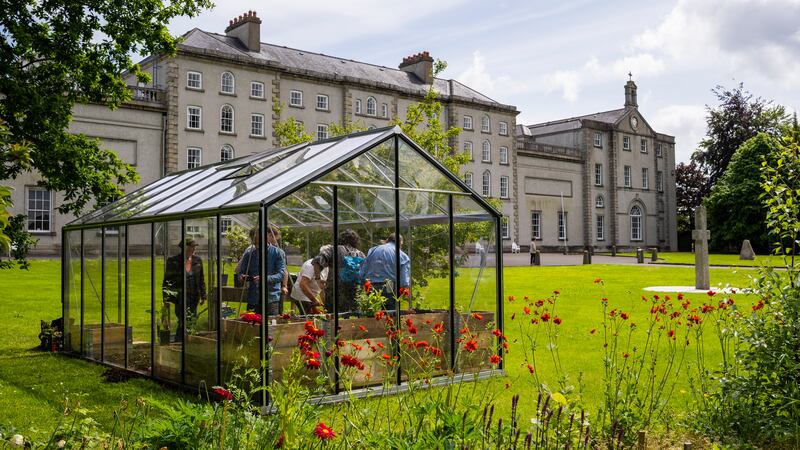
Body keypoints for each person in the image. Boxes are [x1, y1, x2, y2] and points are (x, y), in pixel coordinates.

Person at [162, 237, 206, 342]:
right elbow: (167, 281)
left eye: (194, 246)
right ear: (185, 248)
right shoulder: (173, 261)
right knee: (183, 321)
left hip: (194, 297)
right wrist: (166, 299)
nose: (194, 248)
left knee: (192, 320)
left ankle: (187, 343)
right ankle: (179, 343)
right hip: (180, 297)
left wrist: (203, 294)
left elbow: (201, 279)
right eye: (192, 246)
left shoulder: (197, 260)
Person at [236, 226, 287, 315]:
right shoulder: (249, 254)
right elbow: (241, 272)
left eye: (259, 242)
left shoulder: (278, 253)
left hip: (270, 298)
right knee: (252, 326)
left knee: (270, 326)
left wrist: (265, 278)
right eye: (255, 242)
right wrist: (242, 277)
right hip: (253, 298)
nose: (257, 245)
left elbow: (281, 274)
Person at [313, 229, 365, 313]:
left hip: (334, 293)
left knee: (333, 319)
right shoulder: (361, 254)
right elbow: (364, 274)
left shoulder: (333, 250)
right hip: (354, 293)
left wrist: (318, 279)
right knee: (353, 319)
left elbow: (317, 262)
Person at [360, 233, 410, 311]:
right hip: (390, 289)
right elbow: (404, 281)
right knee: (390, 317)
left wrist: (363, 284)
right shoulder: (402, 256)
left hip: (371, 287)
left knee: (373, 316)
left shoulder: (373, 250)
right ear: (400, 243)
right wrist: (403, 291)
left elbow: (362, 272)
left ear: (387, 241)